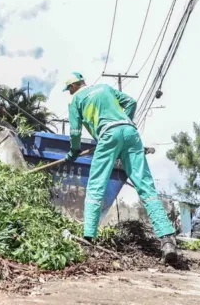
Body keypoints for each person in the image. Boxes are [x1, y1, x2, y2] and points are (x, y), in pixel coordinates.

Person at [63, 72, 178, 264]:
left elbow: (74, 131)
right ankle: (167, 240)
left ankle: (88, 239)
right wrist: (124, 122)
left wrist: (73, 151)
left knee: (96, 185)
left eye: (69, 89)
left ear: (73, 87)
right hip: (130, 132)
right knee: (146, 187)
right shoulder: (105, 88)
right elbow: (131, 102)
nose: (69, 93)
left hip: (108, 136)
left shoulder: (76, 100)